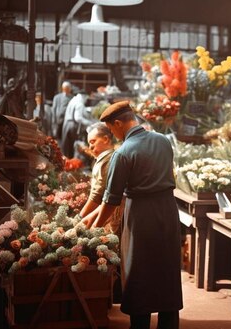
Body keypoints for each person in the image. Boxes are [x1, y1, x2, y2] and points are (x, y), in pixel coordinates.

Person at [89, 101, 182, 329]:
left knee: (138, 271)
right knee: (166, 270)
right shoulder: (163, 141)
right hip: (168, 212)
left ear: (119, 124)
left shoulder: (123, 153)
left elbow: (111, 200)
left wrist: (93, 228)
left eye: (112, 130)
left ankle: (140, 325)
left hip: (140, 216)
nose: (113, 134)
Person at [79, 123, 121, 235]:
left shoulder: (108, 160)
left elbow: (97, 195)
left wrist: (79, 217)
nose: (90, 147)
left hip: (109, 215)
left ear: (106, 139)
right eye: (89, 143)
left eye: (93, 142)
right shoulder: (103, 159)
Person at [61, 92, 94, 158]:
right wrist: (89, 123)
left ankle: (67, 160)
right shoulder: (80, 103)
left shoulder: (73, 99)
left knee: (66, 145)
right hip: (72, 125)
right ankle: (71, 161)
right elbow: (78, 118)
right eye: (86, 99)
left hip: (66, 123)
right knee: (72, 145)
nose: (86, 101)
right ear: (84, 96)